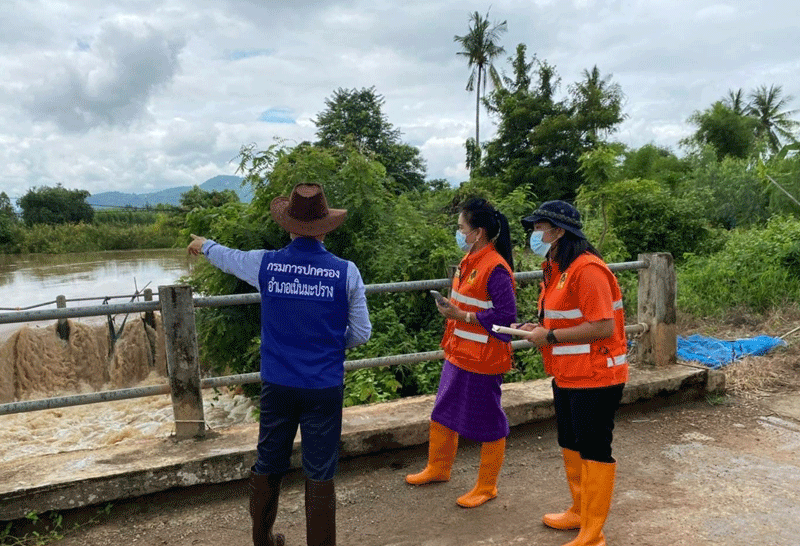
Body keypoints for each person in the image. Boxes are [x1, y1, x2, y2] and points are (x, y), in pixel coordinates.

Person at [187, 183, 371, 546]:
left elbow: (229, 257)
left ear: (289, 227)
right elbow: (362, 332)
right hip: (323, 386)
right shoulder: (346, 271)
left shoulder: (266, 264)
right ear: (324, 229)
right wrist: (327, 343)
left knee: (269, 461)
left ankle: (264, 540)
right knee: (320, 471)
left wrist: (205, 245)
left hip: (278, 384)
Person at [516, 200, 627, 546]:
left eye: (539, 227)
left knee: (594, 448)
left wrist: (548, 336)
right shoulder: (557, 269)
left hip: (596, 376)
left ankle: (593, 533)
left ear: (558, 231)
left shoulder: (587, 270)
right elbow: (565, 319)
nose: (535, 234)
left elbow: (603, 326)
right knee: (571, 442)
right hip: (568, 373)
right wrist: (537, 329)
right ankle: (579, 512)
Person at [405, 197, 517, 508]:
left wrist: (463, 316)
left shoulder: (495, 268)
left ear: (478, 232)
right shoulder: (469, 261)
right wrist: (453, 313)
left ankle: (487, 486)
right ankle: (438, 468)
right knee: (442, 411)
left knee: (489, 421)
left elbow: (506, 317)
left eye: (461, 228)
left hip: (483, 358)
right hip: (458, 352)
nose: (458, 233)